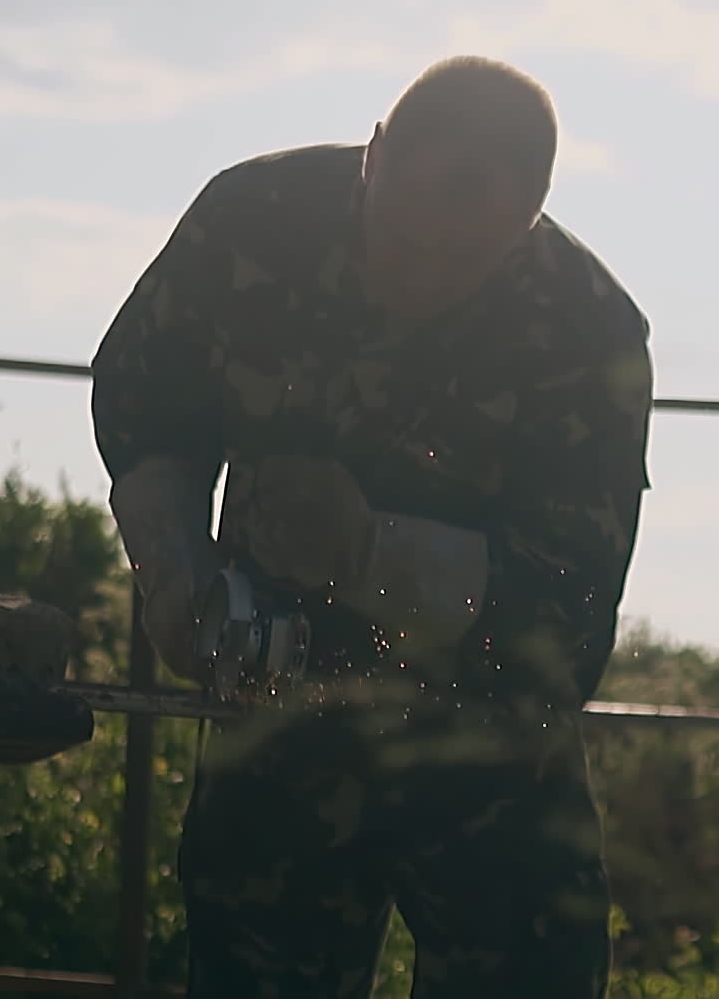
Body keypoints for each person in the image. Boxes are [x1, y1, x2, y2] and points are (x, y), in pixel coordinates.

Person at [91, 56, 653, 998]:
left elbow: (568, 620)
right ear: (374, 155)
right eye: (399, 232)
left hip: (487, 745)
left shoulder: (588, 334)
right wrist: (178, 575)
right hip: (276, 716)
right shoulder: (253, 221)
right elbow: (147, 403)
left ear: (530, 222)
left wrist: (369, 554)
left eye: (462, 255)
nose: (420, 271)